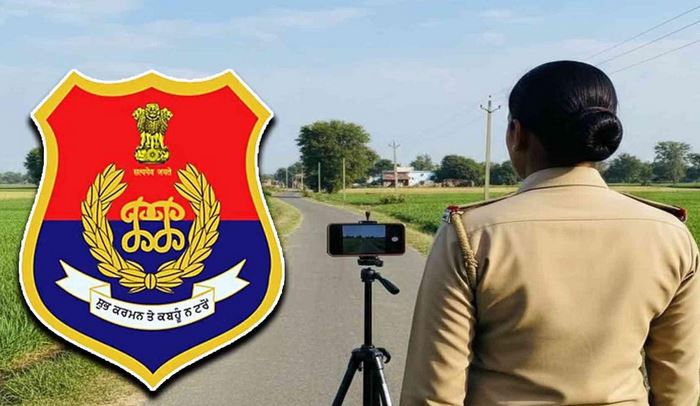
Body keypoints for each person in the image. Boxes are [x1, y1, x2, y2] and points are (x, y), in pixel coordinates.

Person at [400, 61, 699, 405]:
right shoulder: (670, 234)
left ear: (517, 133)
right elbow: (678, 386)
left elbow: (434, 393)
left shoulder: (472, 233)